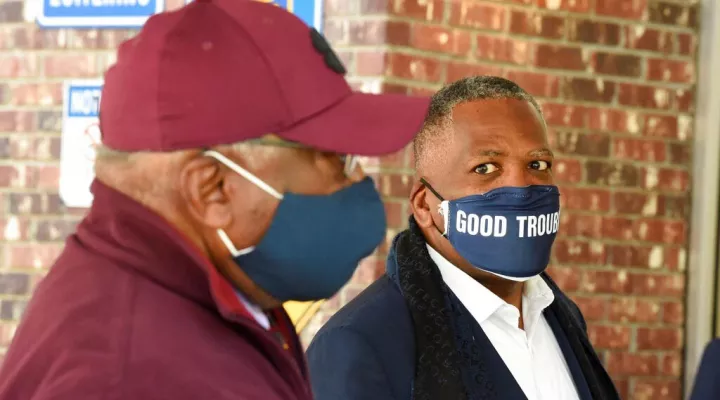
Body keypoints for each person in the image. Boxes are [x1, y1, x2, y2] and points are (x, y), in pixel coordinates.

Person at [0, 1, 429, 399]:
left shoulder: (204, 296)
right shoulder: (132, 377)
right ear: (213, 189)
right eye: (337, 158)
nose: (357, 180)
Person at [306, 76, 621, 400]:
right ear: (424, 204)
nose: (521, 188)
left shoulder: (559, 315)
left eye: (537, 164)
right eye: (485, 168)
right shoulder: (359, 343)